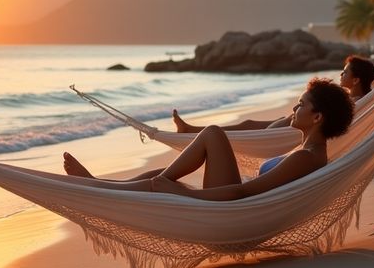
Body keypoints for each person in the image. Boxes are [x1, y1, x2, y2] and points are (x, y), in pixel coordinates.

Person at [59, 78, 354, 201]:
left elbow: (245, 193)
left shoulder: (306, 157)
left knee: (211, 136)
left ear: (317, 117)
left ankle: (97, 186)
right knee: (157, 177)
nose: (294, 107)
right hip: (237, 207)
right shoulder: (307, 151)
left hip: (237, 215)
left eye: (301, 104)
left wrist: (186, 196)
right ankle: (99, 184)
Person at [171, 55, 374, 134]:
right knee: (248, 123)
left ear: (356, 80)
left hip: (286, 132)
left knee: (246, 128)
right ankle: (191, 129)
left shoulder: (351, 102)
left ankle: (191, 130)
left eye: (345, 72)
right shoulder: (358, 99)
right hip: (289, 124)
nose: (341, 74)